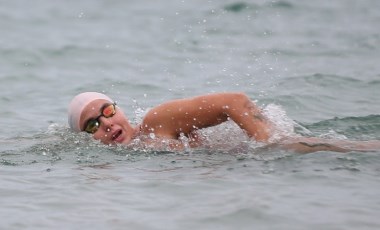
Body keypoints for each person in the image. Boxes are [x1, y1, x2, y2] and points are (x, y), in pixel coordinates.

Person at [68, 92, 380, 153]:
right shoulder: (136, 152)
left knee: (357, 150)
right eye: (92, 126)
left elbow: (236, 102)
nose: (105, 124)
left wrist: (271, 145)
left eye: (106, 111)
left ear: (118, 109)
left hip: (266, 156)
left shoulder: (154, 123)